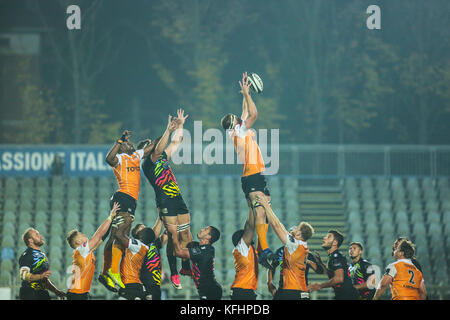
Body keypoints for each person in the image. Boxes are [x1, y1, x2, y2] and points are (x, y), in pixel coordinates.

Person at [220, 72, 275, 270]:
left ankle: (255, 247)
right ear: (235, 123)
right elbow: (253, 114)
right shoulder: (238, 131)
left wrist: (245, 92)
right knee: (260, 212)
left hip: (253, 175)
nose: (239, 119)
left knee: (255, 217)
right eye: (237, 119)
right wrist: (247, 95)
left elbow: (244, 113)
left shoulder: (235, 130)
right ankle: (264, 250)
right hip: (252, 176)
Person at [100, 129, 160, 292]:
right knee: (119, 234)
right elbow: (108, 158)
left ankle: (107, 273)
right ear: (122, 148)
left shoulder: (136, 155)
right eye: (127, 143)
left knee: (117, 235)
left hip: (130, 200)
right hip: (123, 196)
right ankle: (111, 272)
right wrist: (119, 141)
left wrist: (171, 130)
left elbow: (155, 145)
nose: (130, 143)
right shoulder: (120, 158)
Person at [141, 109, 191, 289]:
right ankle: (174, 273)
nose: (153, 145)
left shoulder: (161, 156)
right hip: (165, 200)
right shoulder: (148, 162)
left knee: (186, 233)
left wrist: (181, 125)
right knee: (173, 237)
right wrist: (168, 130)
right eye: (149, 145)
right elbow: (160, 146)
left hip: (177, 197)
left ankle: (185, 267)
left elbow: (176, 142)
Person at [257, 194, 314, 300]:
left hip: (292, 291)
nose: (295, 228)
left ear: (299, 235)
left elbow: (276, 226)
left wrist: (265, 204)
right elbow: (281, 226)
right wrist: (269, 206)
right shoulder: (300, 245)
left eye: (298, 228)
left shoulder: (294, 245)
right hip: (300, 290)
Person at [65, 202, 120, 300]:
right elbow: (98, 235)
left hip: (80, 294)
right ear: (78, 241)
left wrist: (112, 222)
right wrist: (110, 216)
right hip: (76, 295)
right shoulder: (81, 249)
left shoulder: (84, 252)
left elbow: (100, 239)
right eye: (80, 234)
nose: (83, 234)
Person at [267, 226, 324, 300]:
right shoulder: (281, 251)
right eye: (291, 235)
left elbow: (320, 271)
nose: (292, 237)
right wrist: (269, 282)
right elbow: (271, 267)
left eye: (295, 235)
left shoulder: (308, 254)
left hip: (301, 290)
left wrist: (309, 262)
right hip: (284, 289)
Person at [171, 226, 222, 300]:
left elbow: (178, 252)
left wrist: (174, 234)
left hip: (210, 291)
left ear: (208, 236)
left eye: (205, 229)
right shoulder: (206, 249)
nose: (202, 229)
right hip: (208, 289)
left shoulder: (204, 251)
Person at [308, 230, 359, 300]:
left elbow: (338, 279)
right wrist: (320, 263)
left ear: (335, 242)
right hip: (344, 295)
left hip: (347, 296)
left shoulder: (336, 257)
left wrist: (320, 286)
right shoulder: (334, 256)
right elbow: (331, 273)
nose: (324, 238)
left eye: (328, 237)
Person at [18, 228, 65, 300]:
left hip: (42, 293)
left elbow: (44, 279)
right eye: (37, 235)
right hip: (29, 293)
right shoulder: (27, 255)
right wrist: (40, 276)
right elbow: (23, 275)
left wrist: (56, 291)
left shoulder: (42, 255)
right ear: (30, 240)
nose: (40, 236)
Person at [132, 217, 168, 300]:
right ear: (138, 234)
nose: (147, 230)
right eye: (143, 229)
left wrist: (170, 226)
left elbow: (164, 237)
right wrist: (160, 217)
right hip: (145, 283)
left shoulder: (153, 243)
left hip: (156, 283)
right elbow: (154, 234)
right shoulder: (138, 245)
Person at [230, 201, 258, 300]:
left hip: (245, 290)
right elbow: (249, 226)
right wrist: (251, 208)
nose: (251, 236)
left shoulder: (249, 250)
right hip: (242, 291)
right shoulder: (242, 247)